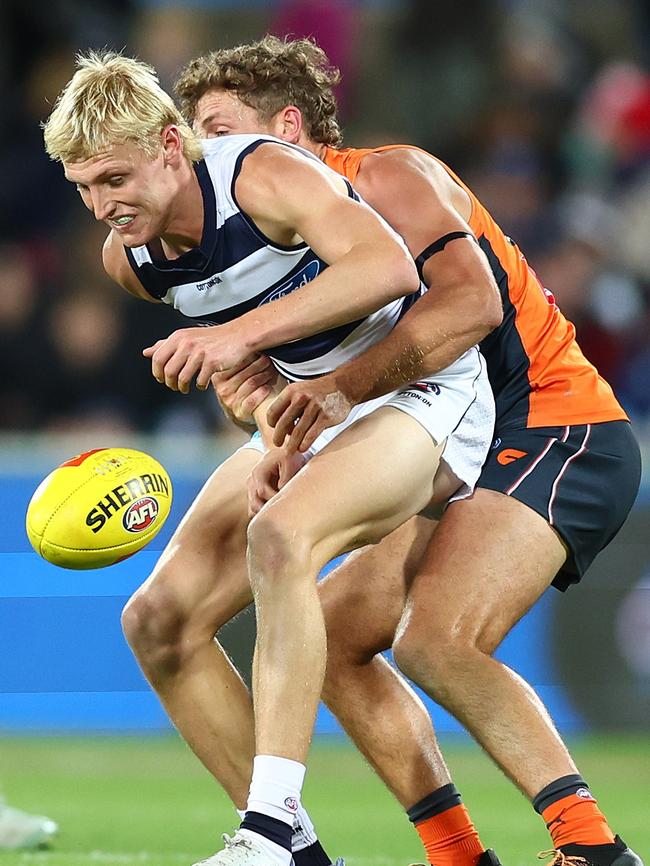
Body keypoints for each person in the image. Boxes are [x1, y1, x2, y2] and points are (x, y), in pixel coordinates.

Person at [178, 37, 643, 866]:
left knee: (437, 640)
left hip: (551, 425)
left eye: (219, 132)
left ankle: (595, 850)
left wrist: (334, 393)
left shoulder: (385, 175)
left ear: (288, 125)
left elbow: (469, 306)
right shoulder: (273, 246)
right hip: (458, 442)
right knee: (327, 632)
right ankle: (458, 854)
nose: (205, 159)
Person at [42, 51, 497, 866]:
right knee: (157, 620)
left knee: (280, 537)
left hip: (418, 394)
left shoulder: (263, 173)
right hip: (309, 415)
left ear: (171, 147)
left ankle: (269, 827)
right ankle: (302, 857)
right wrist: (248, 392)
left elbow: (387, 265)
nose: (102, 205)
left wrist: (240, 337)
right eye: (83, 188)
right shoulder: (132, 262)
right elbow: (254, 367)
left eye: (115, 178)